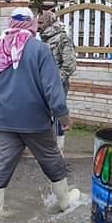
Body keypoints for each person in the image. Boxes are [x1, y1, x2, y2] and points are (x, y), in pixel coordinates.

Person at [0, 7, 80, 218]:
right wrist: (62, 115)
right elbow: (52, 87)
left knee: (2, 163)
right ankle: (65, 202)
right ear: (32, 25)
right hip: (34, 119)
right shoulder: (39, 49)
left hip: (4, 118)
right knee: (51, 159)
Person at [37, 11, 77, 156]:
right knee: (45, 115)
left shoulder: (62, 39)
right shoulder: (44, 39)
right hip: (43, 84)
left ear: (49, 22)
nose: (38, 26)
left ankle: (59, 150)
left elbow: (70, 65)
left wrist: (54, 80)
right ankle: (48, 147)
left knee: (58, 113)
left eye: (41, 23)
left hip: (58, 84)